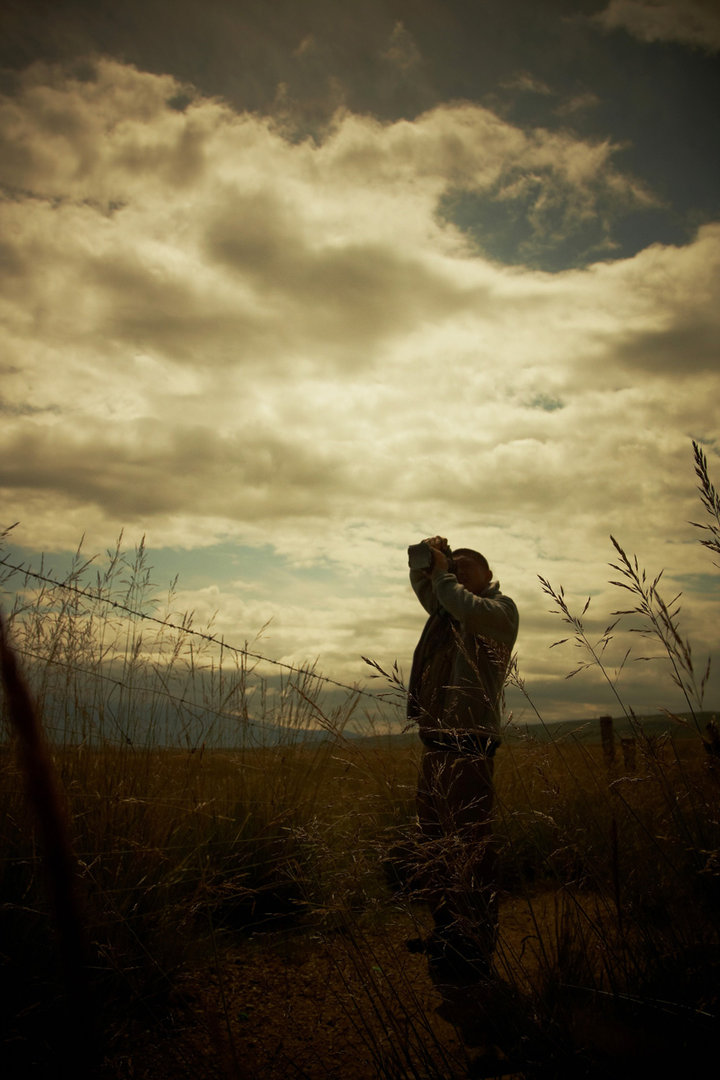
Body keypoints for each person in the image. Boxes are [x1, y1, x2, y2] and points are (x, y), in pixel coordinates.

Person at [406, 536, 519, 983]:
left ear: (490, 576)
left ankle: (474, 945)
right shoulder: (446, 613)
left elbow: (452, 596)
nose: (458, 569)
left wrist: (444, 573)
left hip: (470, 747)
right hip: (435, 746)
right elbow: (430, 587)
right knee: (435, 847)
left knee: (469, 851)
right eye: (454, 564)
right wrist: (426, 558)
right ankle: (446, 933)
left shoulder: (498, 610)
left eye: (468, 566)